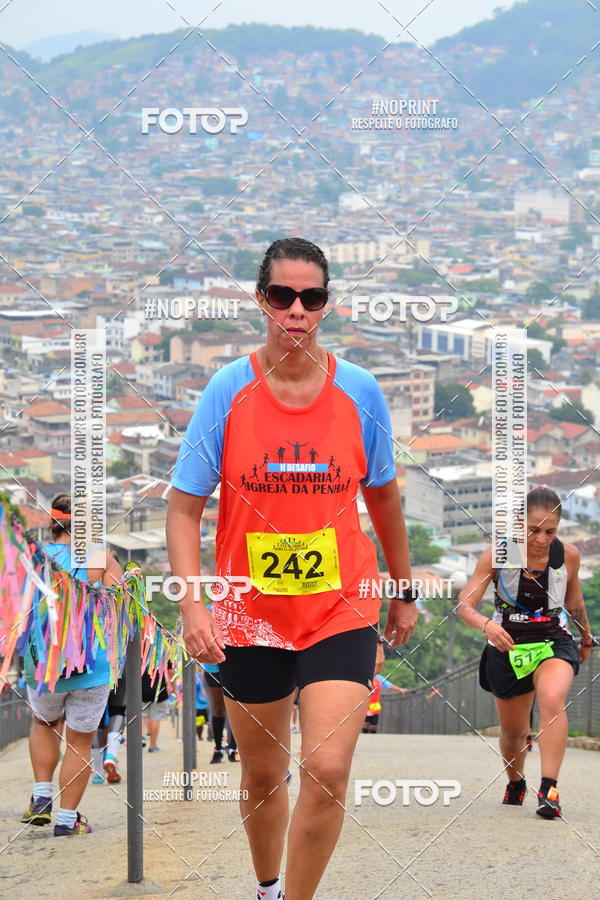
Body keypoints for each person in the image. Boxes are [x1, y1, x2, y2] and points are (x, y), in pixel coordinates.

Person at [166, 237, 417, 900]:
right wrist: (194, 607)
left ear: (326, 306)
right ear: (262, 301)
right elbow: (184, 508)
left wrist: (405, 587)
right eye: (283, 296)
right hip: (249, 614)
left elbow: (385, 496)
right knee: (261, 774)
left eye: (312, 298)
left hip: (342, 605)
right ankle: (269, 884)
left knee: (328, 768)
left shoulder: (360, 391)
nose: (297, 310)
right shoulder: (229, 390)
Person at [458, 486, 595, 819]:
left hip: (552, 639)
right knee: (514, 734)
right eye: (533, 530)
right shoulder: (497, 554)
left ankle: (549, 790)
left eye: (550, 532)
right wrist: (486, 626)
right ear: (519, 523)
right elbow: (465, 605)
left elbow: (574, 603)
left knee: (552, 698)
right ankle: (516, 780)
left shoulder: (569, 556)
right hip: (507, 644)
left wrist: (587, 639)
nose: (540, 539)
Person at [20, 494, 122, 835]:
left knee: (44, 724)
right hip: (90, 665)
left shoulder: (30, 559)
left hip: (42, 663)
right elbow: (124, 610)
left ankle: (41, 796)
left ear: (52, 524)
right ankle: (66, 821)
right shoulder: (100, 559)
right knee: (79, 741)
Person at [203, 661, 239, 763]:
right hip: (213, 668)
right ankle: (218, 749)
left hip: (234, 665)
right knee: (218, 709)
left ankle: (233, 749)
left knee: (233, 708)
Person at [142, 662, 176, 752]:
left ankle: (140, 737)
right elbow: (171, 671)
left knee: (141, 715)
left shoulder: (137, 647)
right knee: (155, 717)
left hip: (141, 687)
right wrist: (174, 687)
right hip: (159, 688)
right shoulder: (164, 648)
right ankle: (152, 745)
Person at [196, 667, 209, 740]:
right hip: (199, 706)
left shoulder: (210, 675)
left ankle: (210, 737)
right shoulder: (197, 677)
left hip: (210, 705)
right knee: (199, 724)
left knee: (210, 723)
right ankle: (200, 737)